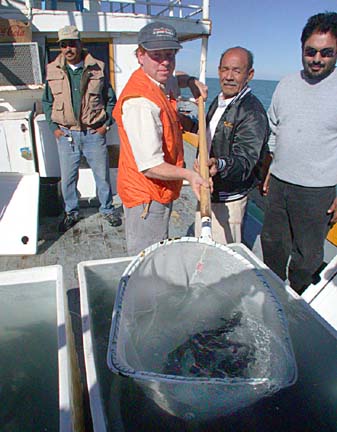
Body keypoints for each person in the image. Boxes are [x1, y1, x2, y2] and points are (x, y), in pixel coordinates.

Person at [113, 21, 208, 256]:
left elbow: (176, 79)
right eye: (157, 55)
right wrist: (189, 175)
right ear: (140, 56)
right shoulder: (141, 103)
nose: (165, 62)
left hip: (160, 189)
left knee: (158, 248)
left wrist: (191, 81)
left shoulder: (158, 81)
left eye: (170, 55)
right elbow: (150, 167)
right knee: (147, 259)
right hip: (147, 195)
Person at [261, 12, 337, 294]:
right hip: (280, 184)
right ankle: (273, 293)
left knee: (307, 257)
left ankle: (298, 300)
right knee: (272, 244)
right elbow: (275, 129)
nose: (317, 59)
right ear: (302, 49)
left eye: (326, 53)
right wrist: (271, 166)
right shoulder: (286, 84)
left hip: (318, 192)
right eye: (311, 51)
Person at [42, 25, 122, 232]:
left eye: (72, 44)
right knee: (68, 177)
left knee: (102, 175)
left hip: (94, 133)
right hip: (66, 133)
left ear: (80, 44)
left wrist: (105, 126)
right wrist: (55, 129)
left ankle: (106, 209)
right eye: (64, 45)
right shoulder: (52, 70)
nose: (68, 48)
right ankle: (72, 212)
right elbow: (47, 102)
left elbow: (111, 101)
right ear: (60, 47)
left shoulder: (98, 68)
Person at [194, 47, 270, 244]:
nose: (228, 76)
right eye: (224, 69)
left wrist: (219, 165)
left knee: (220, 258)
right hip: (207, 190)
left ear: (249, 74)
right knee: (202, 251)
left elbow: (245, 160)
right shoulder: (219, 101)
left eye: (236, 71)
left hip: (228, 199)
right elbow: (216, 132)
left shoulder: (252, 113)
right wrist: (191, 124)